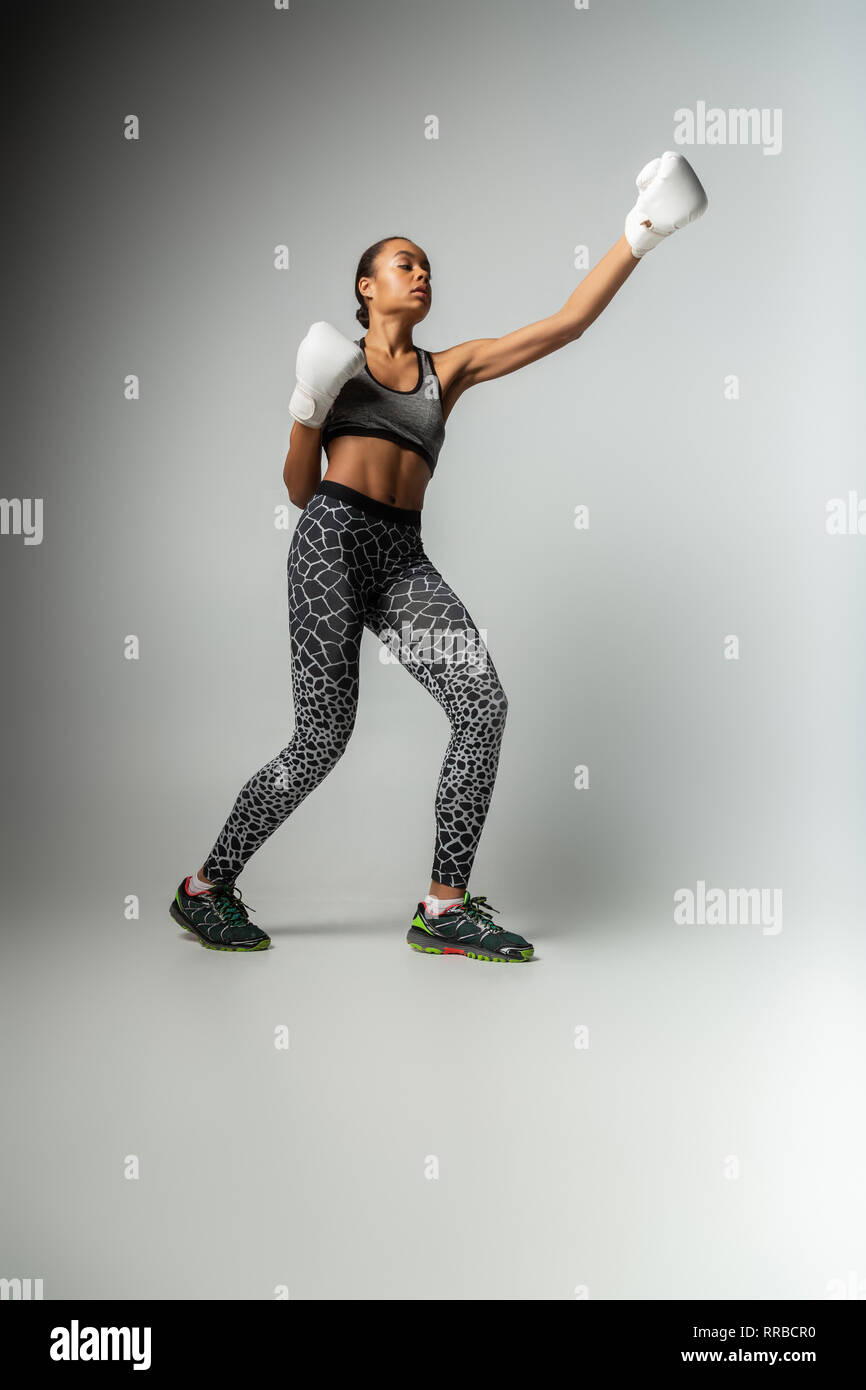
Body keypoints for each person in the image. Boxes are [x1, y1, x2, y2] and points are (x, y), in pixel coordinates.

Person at [169, 151, 708, 955]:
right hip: (330, 541)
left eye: (425, 266)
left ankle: (443, 910)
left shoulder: (443, 370)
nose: (421, 275)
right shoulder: (337, 368)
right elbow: (294, 488)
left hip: (399, 557)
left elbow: (564, 326)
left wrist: (640, 235)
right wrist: (307, 404)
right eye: (403, 264)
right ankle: (205, 888)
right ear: (366, 286)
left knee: (481, 705)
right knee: (321, 740)